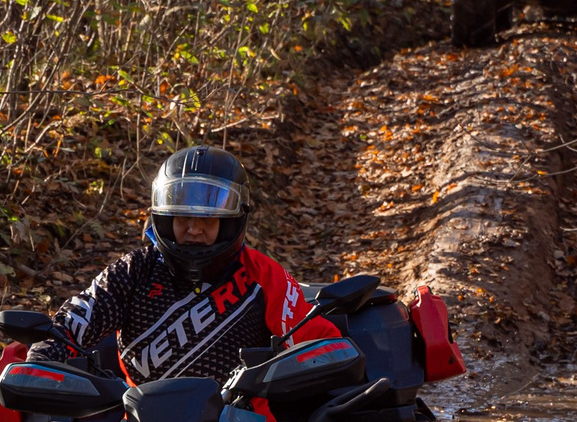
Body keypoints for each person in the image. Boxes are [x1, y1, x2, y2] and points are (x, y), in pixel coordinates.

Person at [22, 146, 341, 387]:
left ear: (232, 222)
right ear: (163, 218)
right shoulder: (134, 271)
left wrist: (312, 364)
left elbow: (316, 340)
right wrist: (41, 362)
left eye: (208, 219)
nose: (194, 229)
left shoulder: (262, 274)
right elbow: (77, 318)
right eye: (182, 217)